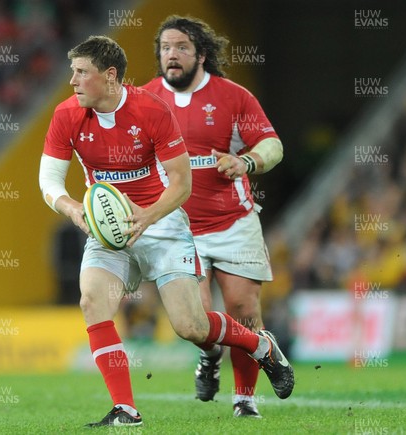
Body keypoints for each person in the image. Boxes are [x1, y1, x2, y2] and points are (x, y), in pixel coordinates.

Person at [38, 35, 293, 427]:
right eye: (72, 72)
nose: (72, 81)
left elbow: (181, 184)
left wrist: (148, 216)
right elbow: (49, 181)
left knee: (191, 327)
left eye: (80, 72)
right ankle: (126, 409)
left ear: (109, 76)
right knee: (92, 301)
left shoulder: (151, 109)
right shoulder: (66, 115)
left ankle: (260, 344)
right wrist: (74, 209)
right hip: (109, 231)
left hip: (162, 222)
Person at [143, 16, 285, 418]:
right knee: (197, 320)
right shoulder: (144, 99)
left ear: (201, 54)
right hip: (177, 227)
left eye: (181, 47)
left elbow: (272, 144)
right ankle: (209, 357)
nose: (171, 54)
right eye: (165, 47)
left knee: (243, 308)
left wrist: (247, 162)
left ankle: (245, 399)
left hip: (233, 220)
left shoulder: (234, 96)